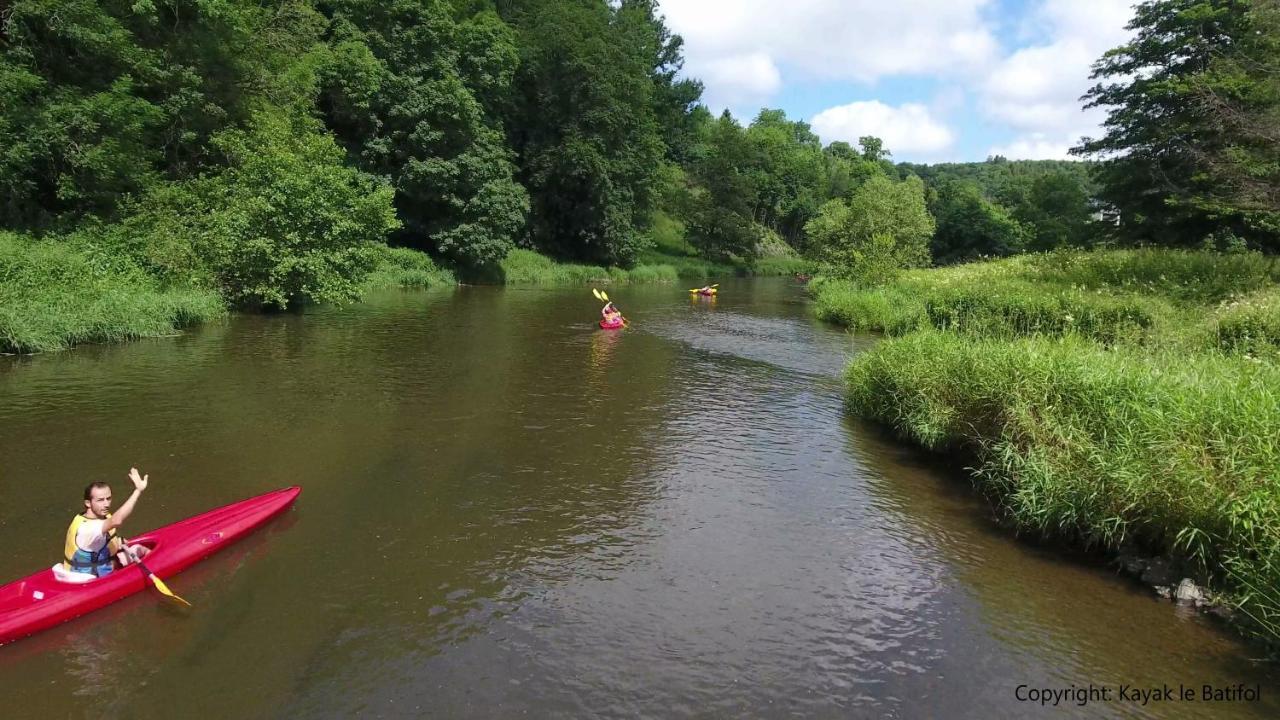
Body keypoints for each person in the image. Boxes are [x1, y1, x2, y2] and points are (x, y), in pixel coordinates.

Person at [64, 468, 152, 578]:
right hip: (90, 578)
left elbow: (97, 541)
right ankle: (159, 566)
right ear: (88, 503)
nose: (106, 504)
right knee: (140, 549)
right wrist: (138, 491)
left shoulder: (85, 517)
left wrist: (117, 542)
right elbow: (116, 520)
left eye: (108, 498)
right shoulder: (87, 528)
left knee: (133, 549)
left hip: (79, 570)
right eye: (100, 500)